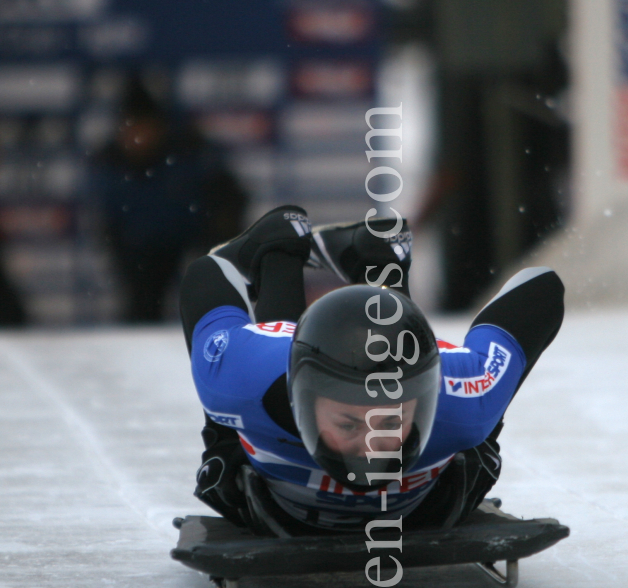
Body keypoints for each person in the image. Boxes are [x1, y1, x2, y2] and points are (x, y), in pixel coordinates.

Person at [179, 205, 564, 534]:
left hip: (307, 487)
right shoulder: (241, 376)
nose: (369, 449)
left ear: (428, 402)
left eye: (389, 422)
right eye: (348, 424)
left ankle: (370, 259)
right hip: (277, 382)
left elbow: (544, 288)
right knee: (275, 344)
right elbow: (205, 276)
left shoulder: (466, 395)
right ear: (302, 401)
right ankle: (278, 250)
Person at [93, 74, 246, 323]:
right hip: (143, 250)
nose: (137, 136)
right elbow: (109, 222)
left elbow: (230, 199)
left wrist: (220, 238)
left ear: (159, 126)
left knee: (213, 295)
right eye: (131, 128)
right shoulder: (110, 162)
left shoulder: (191, 150)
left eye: (143, 127)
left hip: (195, 239)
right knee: (141, 307)